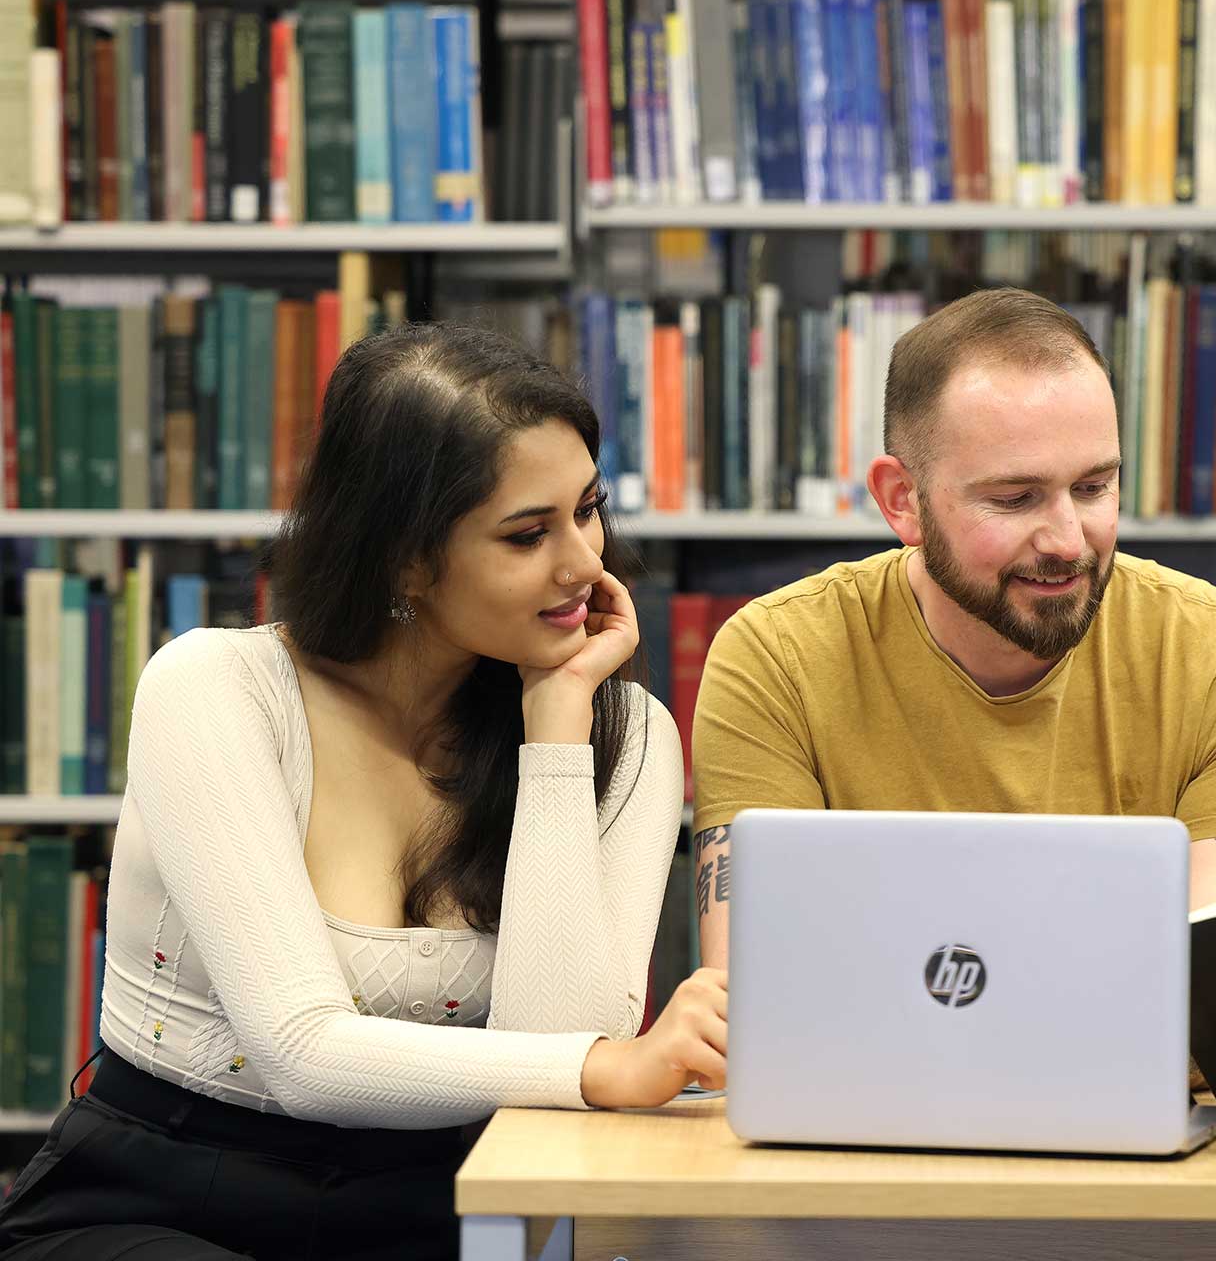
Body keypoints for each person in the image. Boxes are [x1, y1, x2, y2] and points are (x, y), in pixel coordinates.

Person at [0, 324, 726, 1261]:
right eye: (527, 534)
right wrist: (605, 1067)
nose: (586, 564)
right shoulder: (215, 688)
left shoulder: (622, 735)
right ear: (405, 559)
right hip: (164, 1194)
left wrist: (556, 730)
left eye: (587, 509)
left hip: (442, 1202)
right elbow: (301, 1052)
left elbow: (554, 1049)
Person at [690, 287, 1216, 968]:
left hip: (1151, 1081)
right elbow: (759, 993)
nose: (1069, 540)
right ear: (904, 503)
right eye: (1015, 499)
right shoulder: (776, 658)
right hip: (870, 1081)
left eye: (1094, 487)